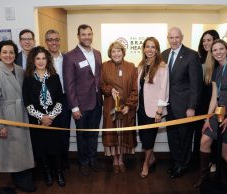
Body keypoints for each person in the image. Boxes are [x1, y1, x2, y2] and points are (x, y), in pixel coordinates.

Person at [194, 39, 227, 188]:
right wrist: (207, 119)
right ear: (212, 53)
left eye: (221, 49)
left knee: (225, 152)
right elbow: (213, 98)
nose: (218, 52)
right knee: (204, 141)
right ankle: (203, 177)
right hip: (218, 114)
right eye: (215, 50)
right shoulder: (216, 70)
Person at [0, 40, 35, 192]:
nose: (8, 55)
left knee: (23, 148)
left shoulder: (20, 70)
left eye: (11, 52)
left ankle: (25, 177)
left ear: (15, 54)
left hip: (22, 113)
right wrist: (0, 125)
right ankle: (20, 180)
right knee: (13, 150)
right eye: (4, 52)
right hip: (8, 117)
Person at [161, 27, 202, 179]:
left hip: (184, 107)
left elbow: (195, 85)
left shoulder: (191, 55)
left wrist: (191, 107)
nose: (174, 40)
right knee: (173, 137)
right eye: (171, 38)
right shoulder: (164, 54)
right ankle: (176, 162)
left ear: (182, 37)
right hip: (168, 106)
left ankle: (183, 165)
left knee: (184, 137)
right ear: (168, 38)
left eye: (177, 37)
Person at [22, 46, 66, 187]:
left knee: (56, 148)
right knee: (42, 148)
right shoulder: (28, 79)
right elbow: (27, 102)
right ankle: (47, 173)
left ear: (48, 60)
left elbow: (60, 99)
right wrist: (41, 117)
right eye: (37, 58)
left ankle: (59, 173)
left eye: (43, 58)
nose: (41, 61)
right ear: (33, 61)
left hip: (54, 119)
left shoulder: (55, 77)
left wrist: (50, 117)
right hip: (37, 121)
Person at [63, 24, 102, 176]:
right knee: (82, 134)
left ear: (92, 35)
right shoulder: (70, 56)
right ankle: (84, 162)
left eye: (89, 34)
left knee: (93, 133)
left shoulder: (97, 53)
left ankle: (93, 159)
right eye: (83, 34)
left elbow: (97, 77)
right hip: (81, 104)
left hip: (97, 102)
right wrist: (74, 107)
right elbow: (69, 83)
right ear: (78, 36)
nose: (87, 37)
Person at [100, 41, 137, 173]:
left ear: (123, 52)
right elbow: (102, 85)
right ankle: (114, 160)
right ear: (110, 53)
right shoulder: (104, 66)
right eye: (113, 51)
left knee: (123, 134)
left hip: (126, 107)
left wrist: (129, 105)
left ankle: (121, 159)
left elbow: (135, 89)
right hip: (111, 106)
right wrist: (110, 90)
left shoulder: (132, 67)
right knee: (113, 133)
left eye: (118, 51)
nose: (116, 54)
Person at [137, 37, 169, 178]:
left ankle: (146, 164)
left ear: (157, 50)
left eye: (153, 47)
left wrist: (159, 110)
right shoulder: (141, 65)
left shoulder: (162, 66)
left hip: (154, 110)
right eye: (147, 46)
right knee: (144, 138)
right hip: (141, 108)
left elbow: (164, 89)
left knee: (149, 138)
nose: (150, 49)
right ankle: (152, 157)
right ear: (144, 49)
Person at [45, 29, 71, 170]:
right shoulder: (42, 59)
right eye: (50, 39)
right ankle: (51, 165)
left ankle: (64, 162)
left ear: (60, 41)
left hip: (64, 99)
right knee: (49, 134)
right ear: (46, 42)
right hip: (47, 102)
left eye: (56, 39)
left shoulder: (67, 58)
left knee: (64, 133)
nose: (54, 42)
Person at [194, 30, 220, 172]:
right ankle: (201, 162)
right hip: (201, 102)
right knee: (200, 133)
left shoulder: (220, 60)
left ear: (215, 40)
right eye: (204, 40)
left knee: (214, 134)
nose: (205, 43)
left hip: (215, 101)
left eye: (209, 40)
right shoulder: (199, 58)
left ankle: (214, 162)